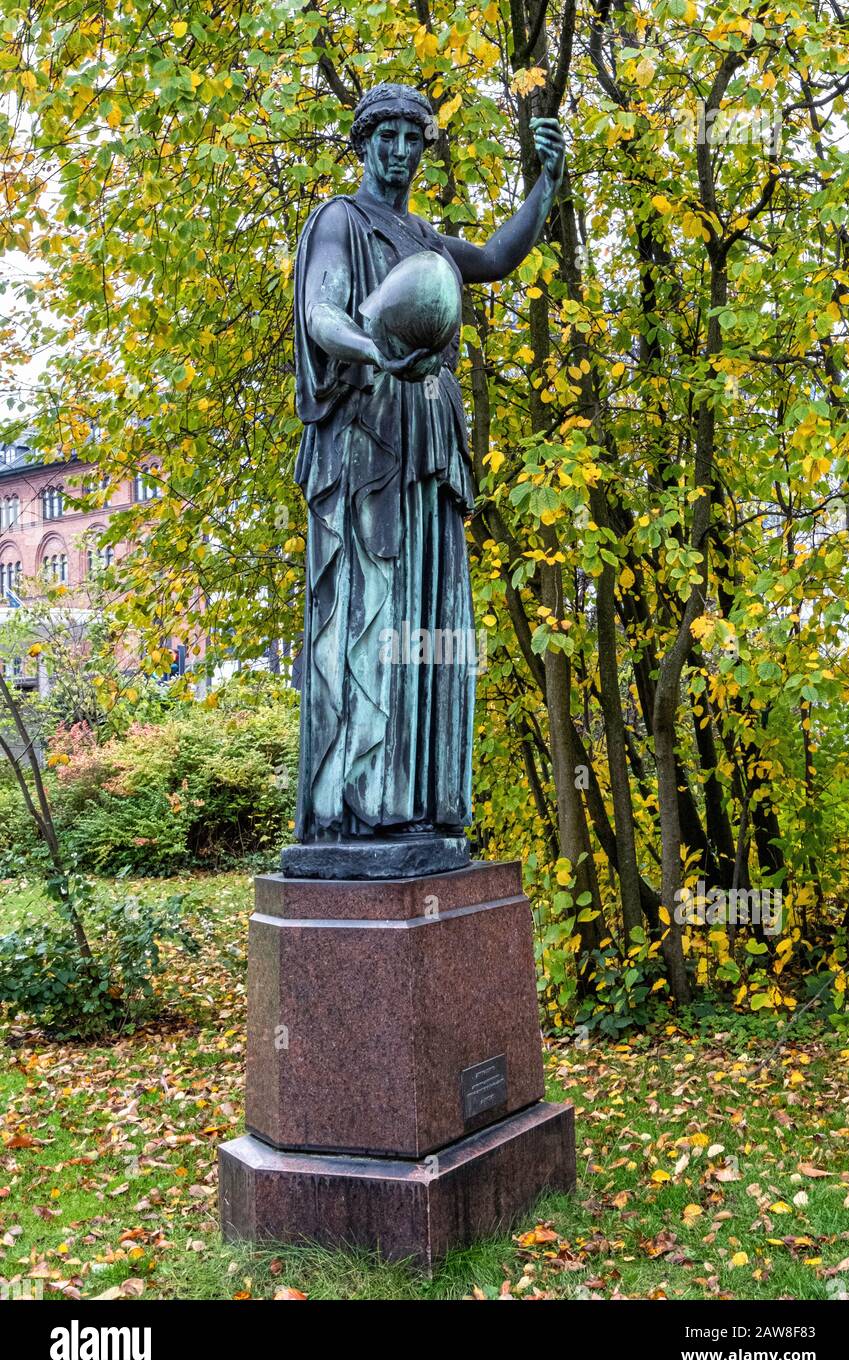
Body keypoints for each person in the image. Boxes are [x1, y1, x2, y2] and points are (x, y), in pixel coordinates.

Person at [292, 82, 565, 853]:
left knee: (429, 612)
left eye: (415, 140)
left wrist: (546, 184)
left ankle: (418, 804)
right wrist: (374, 348)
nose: (402, 152)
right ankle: (360, 804)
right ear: (364, 141)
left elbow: (501, 256)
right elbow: (322, 315)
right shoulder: (338, 223)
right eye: (388, 137)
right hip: (369, 437)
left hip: (429, 438)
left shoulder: (424, 239)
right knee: (372, 609)